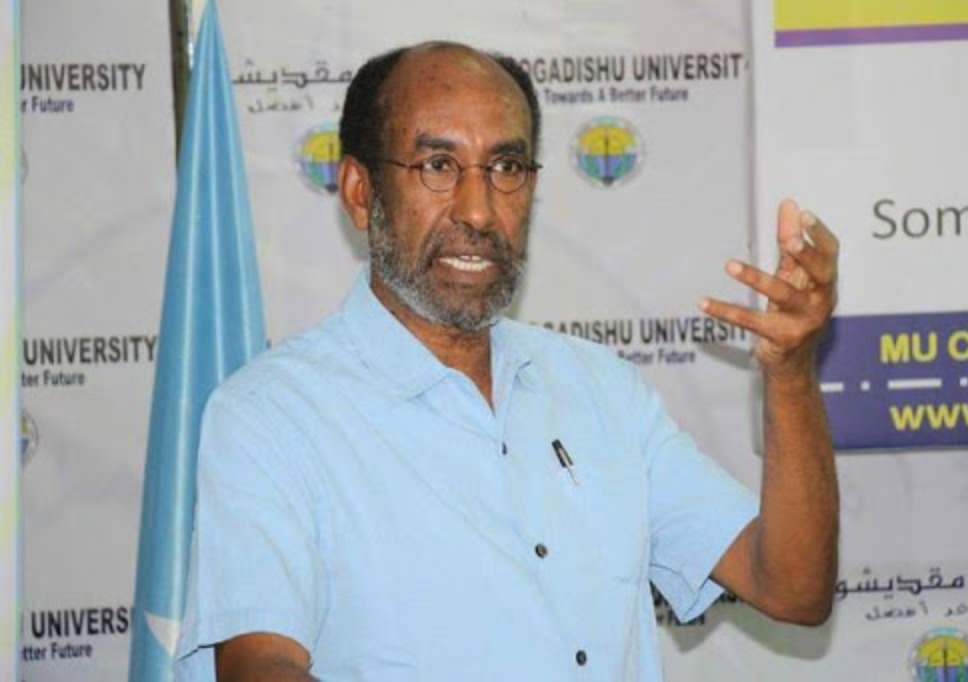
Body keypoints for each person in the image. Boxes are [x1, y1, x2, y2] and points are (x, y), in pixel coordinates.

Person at [175, 41, 839, 681]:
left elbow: (792, 587)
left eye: (506, 167)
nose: (479, 210)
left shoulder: (600, 388)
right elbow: (259, 666)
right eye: (438, 166)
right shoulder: (273, 415)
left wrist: (789, 371)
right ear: (359, 191)